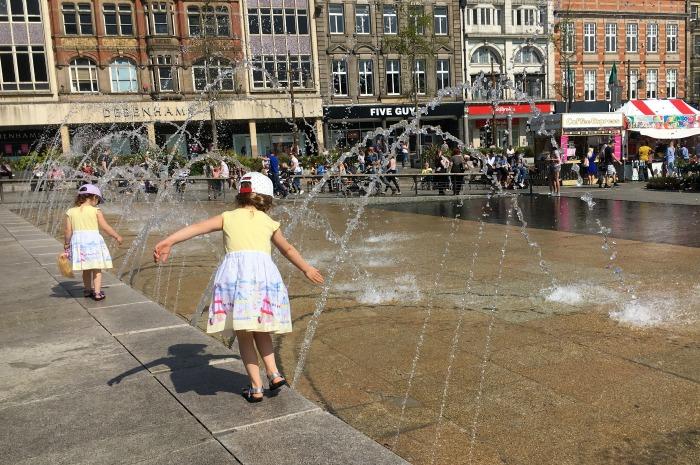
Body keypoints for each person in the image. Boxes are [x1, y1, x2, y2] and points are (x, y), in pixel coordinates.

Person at [153, 172, 323, 402]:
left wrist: (168, 240)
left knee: (244, 335)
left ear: (240, 195)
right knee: (261, 330)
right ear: (267, 198)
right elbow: (288, 249)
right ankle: (273, 373)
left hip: (237, 280)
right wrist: (307, 269)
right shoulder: (269, 222)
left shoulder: (227, 216)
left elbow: (197, 227)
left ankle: (256, 386)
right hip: (263, 279)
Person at [63, 184, 122, 301]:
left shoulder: (70, 211)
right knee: (97, 268)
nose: (98, 203)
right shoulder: (96, 211)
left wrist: (66, 243)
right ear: (94, 197)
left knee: (86, 269)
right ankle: (97, 292)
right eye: (98, 200)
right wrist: (117, 236)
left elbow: (68, 230)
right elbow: (105, 227)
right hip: (93, 243)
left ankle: (87, 290)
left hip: (79, 243)